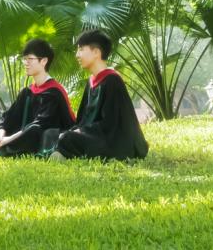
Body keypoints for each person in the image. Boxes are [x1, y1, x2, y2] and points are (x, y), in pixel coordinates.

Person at [53, 29, 148, 161]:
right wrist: (77, 130)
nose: (77, 55)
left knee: (67, 138)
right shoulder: (91, 82)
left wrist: (80, 132)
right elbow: (82, 120)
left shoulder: (112, 80)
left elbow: (111, 124)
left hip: (114, 141)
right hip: (95, 136)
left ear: (96, 52)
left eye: (81, 49)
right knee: (58, 135)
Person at [0, 37, 73, 156]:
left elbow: (41, 124)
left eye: (30, 59)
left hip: (44, 136)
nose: (25, 63)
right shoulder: (27, 91)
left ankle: (5, 149)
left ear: (44, 61)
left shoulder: (54, 92)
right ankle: (4, 148)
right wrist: (0, 137)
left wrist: (8, 140)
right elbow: (9, 117)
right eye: (24, 59)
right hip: (23, 133)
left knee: (33, 131)